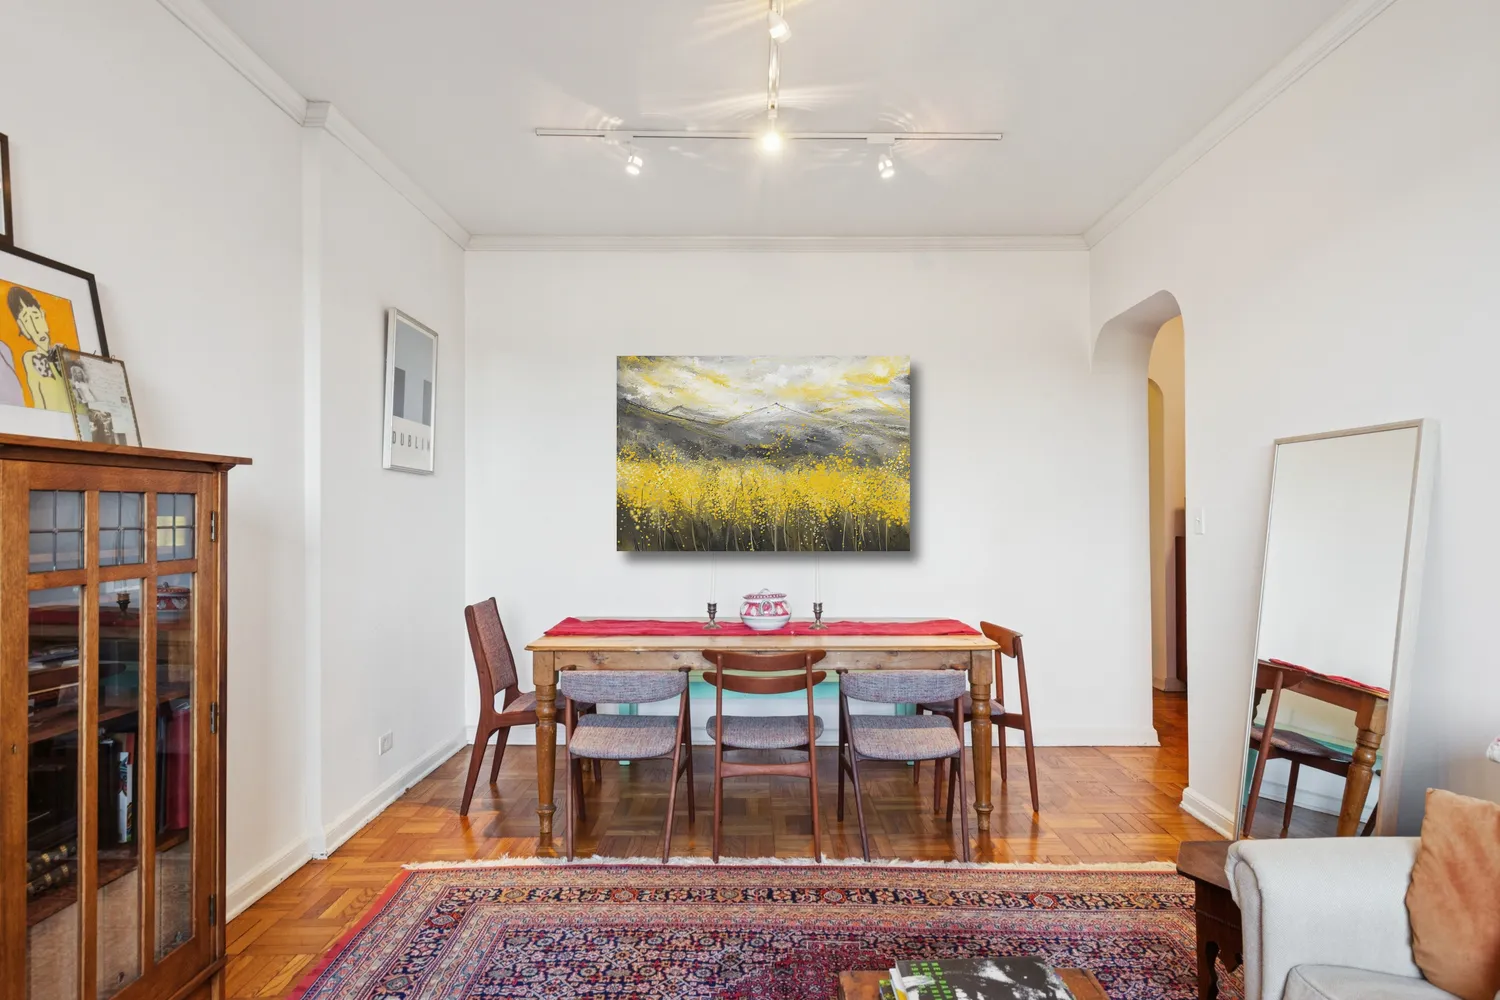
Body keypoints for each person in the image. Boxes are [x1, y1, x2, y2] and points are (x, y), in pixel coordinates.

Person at [6, 285, 70, 411]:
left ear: (42, 314)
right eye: (27, 321)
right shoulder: (30, 358)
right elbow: (39, 403)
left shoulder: (64, 351)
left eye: (35, 316)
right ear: (22, 328)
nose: (35, 327)